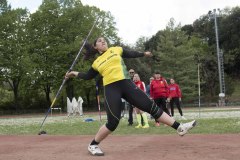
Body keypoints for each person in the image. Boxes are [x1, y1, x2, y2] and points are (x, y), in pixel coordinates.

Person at [65, 37, 196, 156]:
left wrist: (143, 53)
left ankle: (180, 127)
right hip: (111, 88)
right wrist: (73, 73)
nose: (103, 41)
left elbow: (131, 53)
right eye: (99, 40)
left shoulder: (115, 49)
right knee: (113, 122)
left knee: (151, 107)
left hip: (126, 84)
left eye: (104, 39)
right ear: (95, 47)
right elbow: (88, 76)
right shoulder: (96, 63)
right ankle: (93, 145)